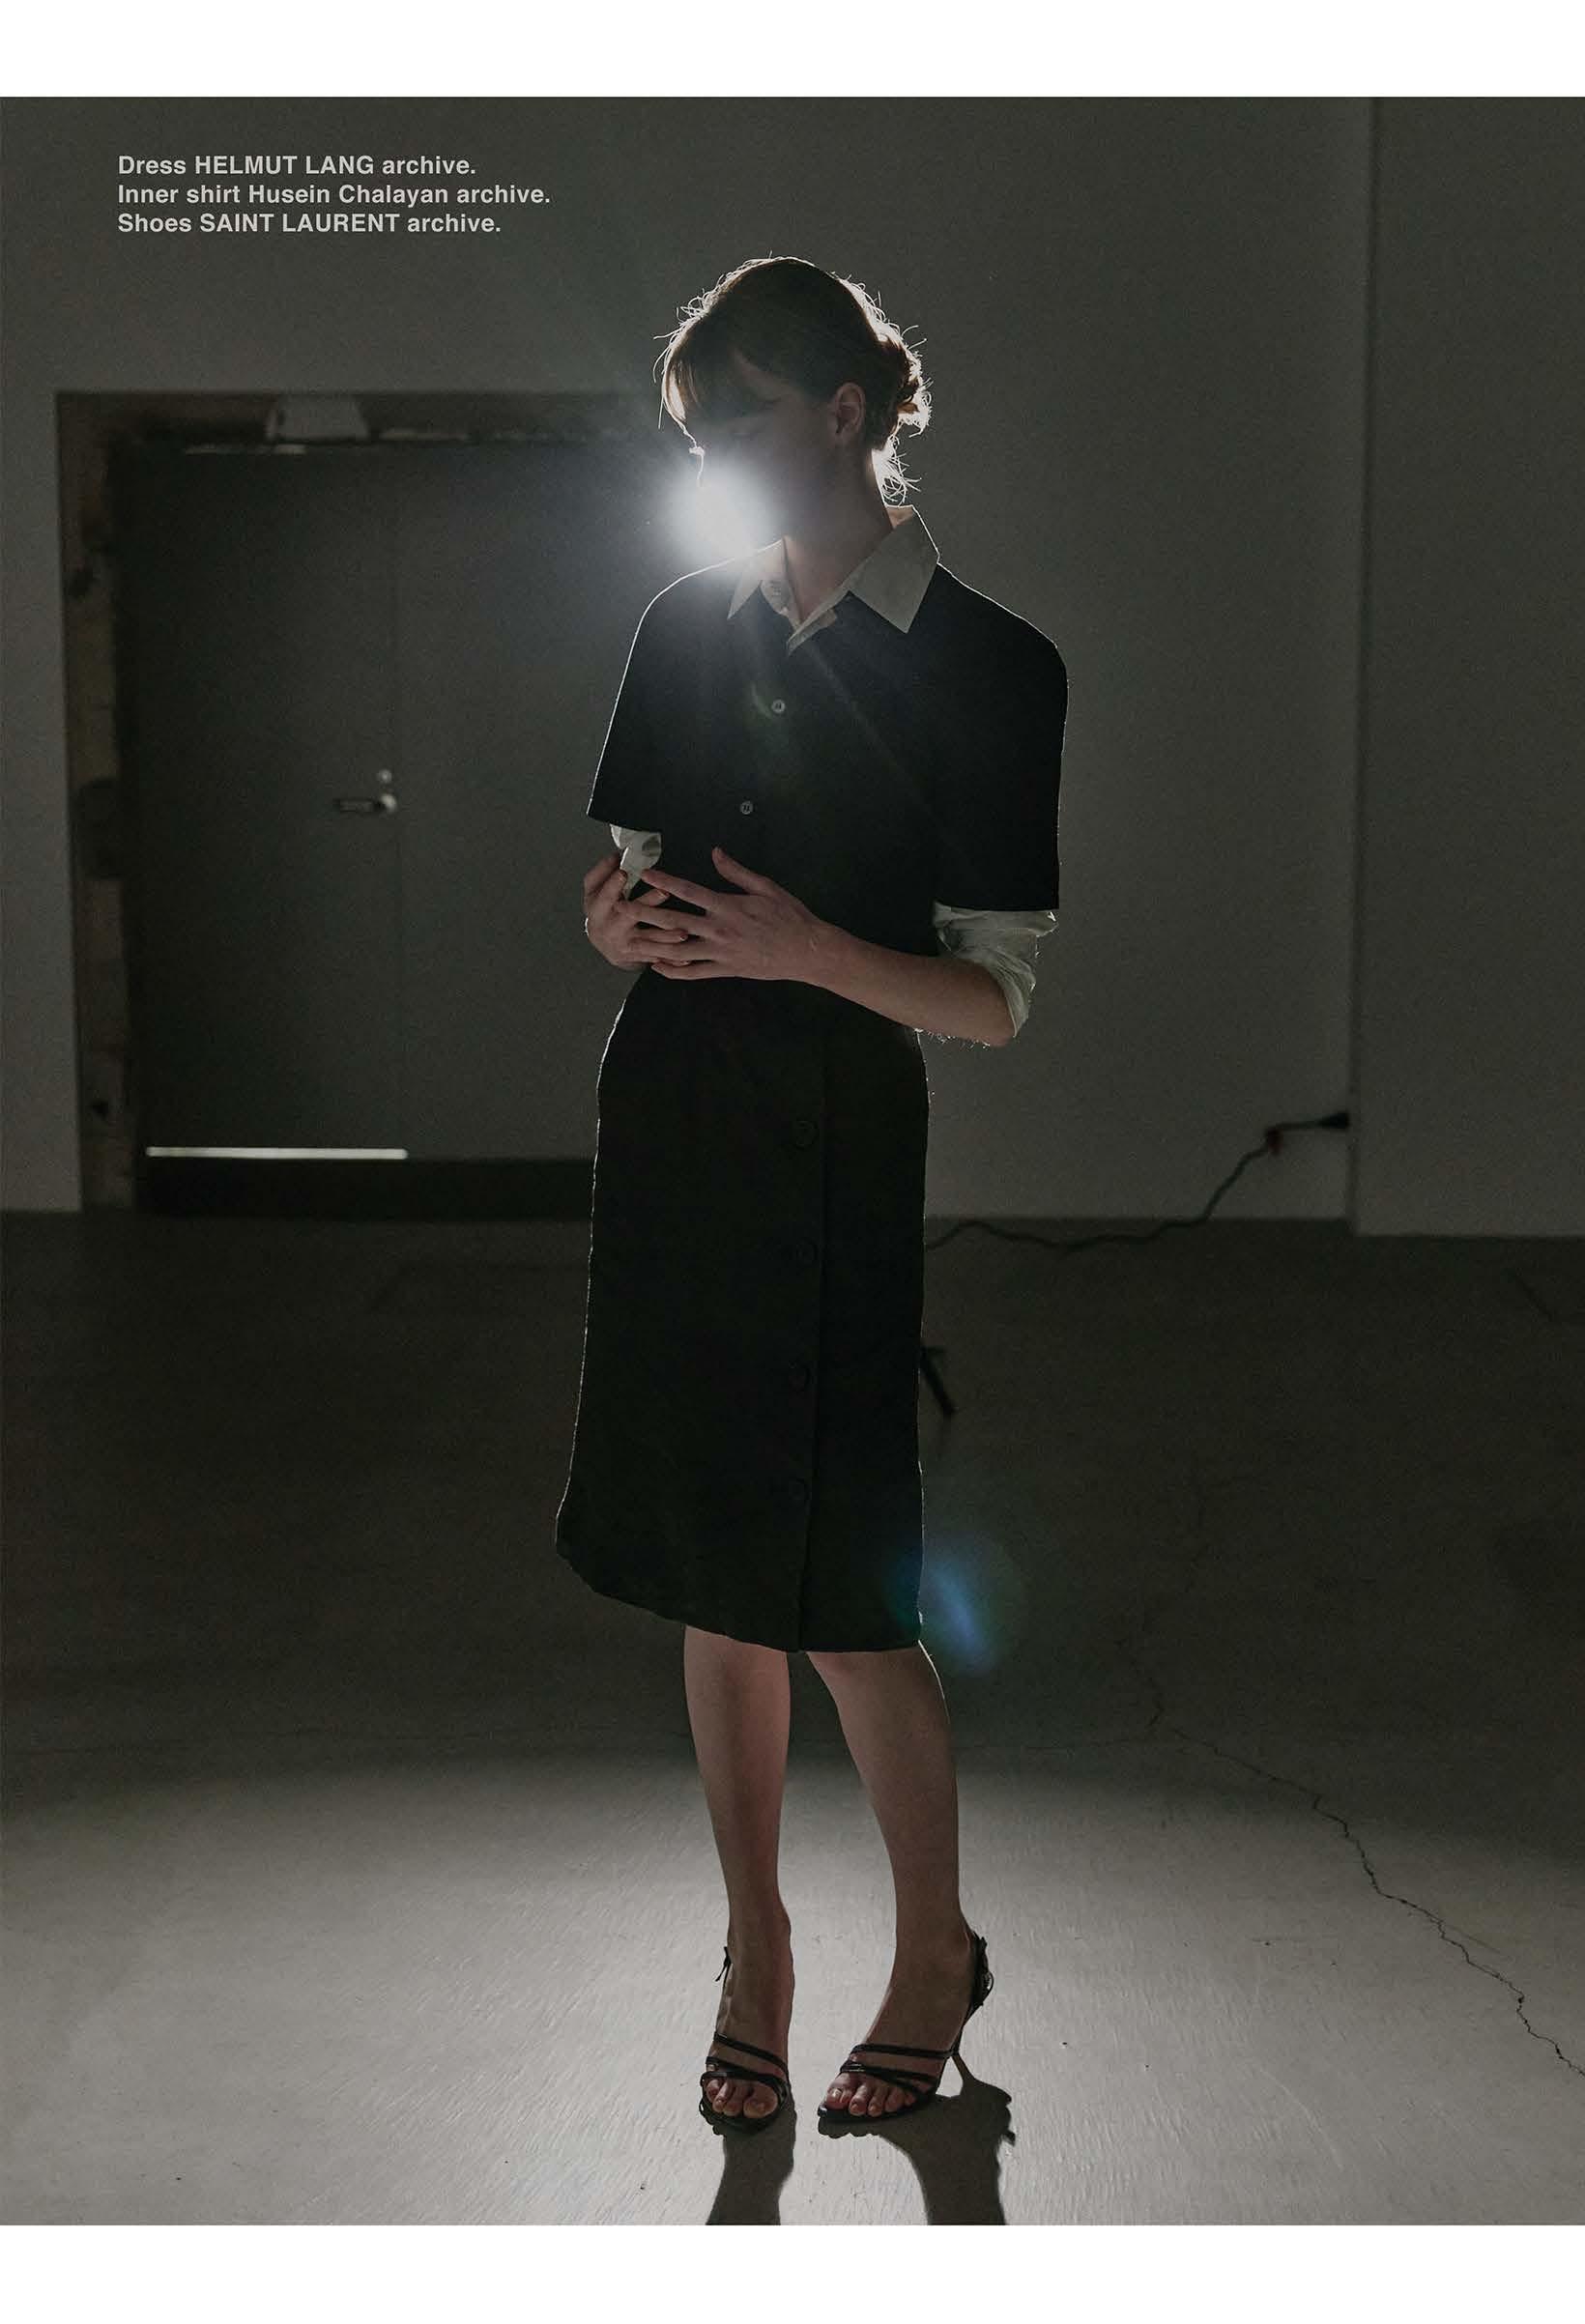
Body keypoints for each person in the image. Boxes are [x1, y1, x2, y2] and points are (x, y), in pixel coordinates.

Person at [556, 256, 1067, 2130]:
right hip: (673, 1123)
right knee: (719, 1577)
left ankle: (933, 1953)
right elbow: (619, 884)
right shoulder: (682, 625)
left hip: (839, 1142)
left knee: (846, 1591)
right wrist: (616, 922)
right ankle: (754, 1949)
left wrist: (806, 949)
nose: (716, 465)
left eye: (743, 427)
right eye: (695, 437)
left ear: (847, 413)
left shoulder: (993, 667)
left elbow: (993, 998)